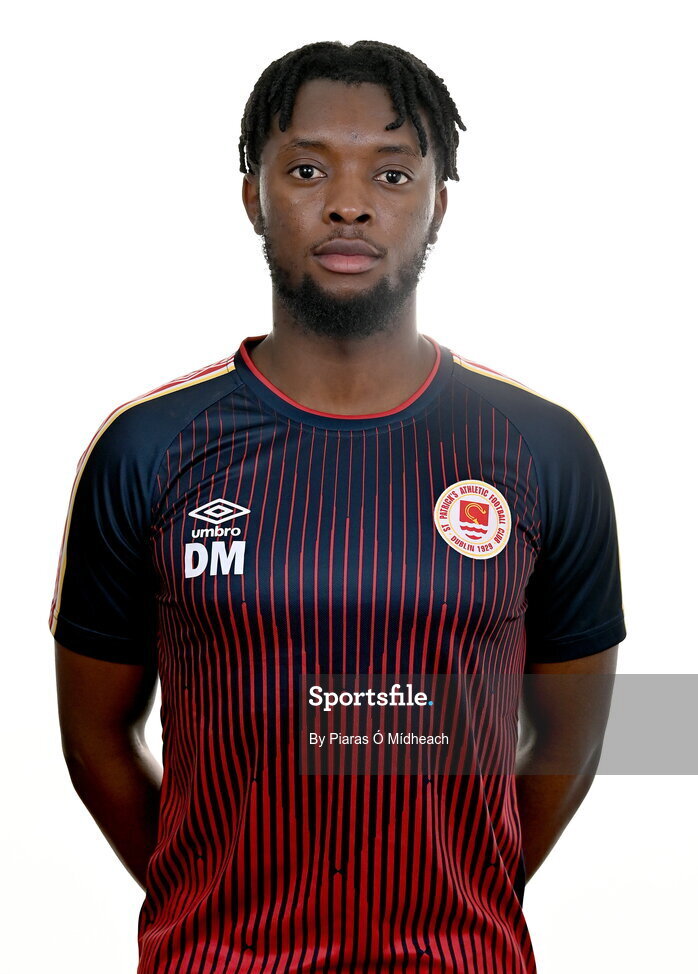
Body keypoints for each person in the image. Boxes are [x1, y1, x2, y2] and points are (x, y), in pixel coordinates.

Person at [50, 39, 626, 974]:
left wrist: (465, 897)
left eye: (392, 172)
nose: (349, 201)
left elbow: (572, 734)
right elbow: (94, 737)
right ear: (254, 195)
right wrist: (206, 897)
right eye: (309, 168)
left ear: (437, 205)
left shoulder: (542, 451)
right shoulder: (147, 450)